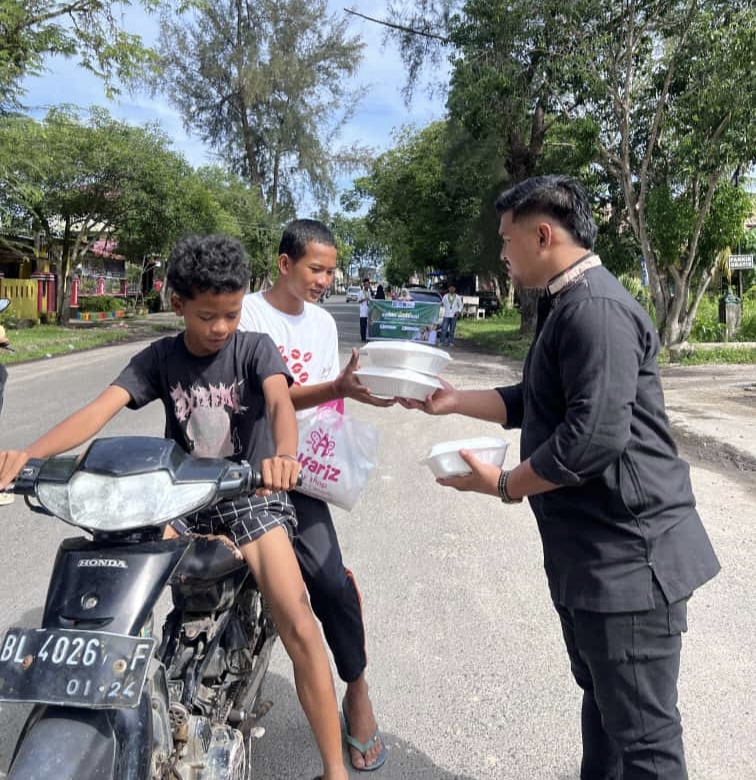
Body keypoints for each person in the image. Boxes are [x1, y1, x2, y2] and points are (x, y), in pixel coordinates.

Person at [400, 175, 720, 780]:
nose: (502, 253)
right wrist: (451, 401)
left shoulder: (595, 310)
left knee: (645, 739)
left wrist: (502, 483)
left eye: (507, 239)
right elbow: (538, 401)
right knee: (604, 708)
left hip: (629, 560)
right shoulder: (565, 302)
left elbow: (592, 439)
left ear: (542, 234)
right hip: (591, 558)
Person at [0, 234, 348, 780]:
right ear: (178, 304)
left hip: (247, 495)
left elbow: (279, 401)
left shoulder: (254, 347)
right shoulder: (159, 358)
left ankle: (335, 770)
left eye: (230, 314)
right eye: (207, 315)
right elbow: (98, 411)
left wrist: (283, 456)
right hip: (179, 499)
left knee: (298, 616)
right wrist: (29, 455)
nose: (220, 328)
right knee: (117, 589)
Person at [239, 219, 392, 772]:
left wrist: (346, 405)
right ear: (284, 264)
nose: (326, 279)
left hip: (298, 477)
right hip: (239, 473)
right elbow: (260, 393)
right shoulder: (247, 314)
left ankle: (356, 686)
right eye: (316, 268)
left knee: (329, 579)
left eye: (331, 270)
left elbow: (328, 400)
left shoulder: (325, 325)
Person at [357, 278, 372, 342]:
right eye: (365, 284)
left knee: (367, 326)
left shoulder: (369, 292)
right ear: (363, 285)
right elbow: (358, 301)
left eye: (368, 284)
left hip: (368, 311)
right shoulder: (360, 292)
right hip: (363, 312)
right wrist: (365, 299)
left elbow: (371, 300)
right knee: (362, 325)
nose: (367, 286)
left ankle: (367, 337)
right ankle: (363, 338)